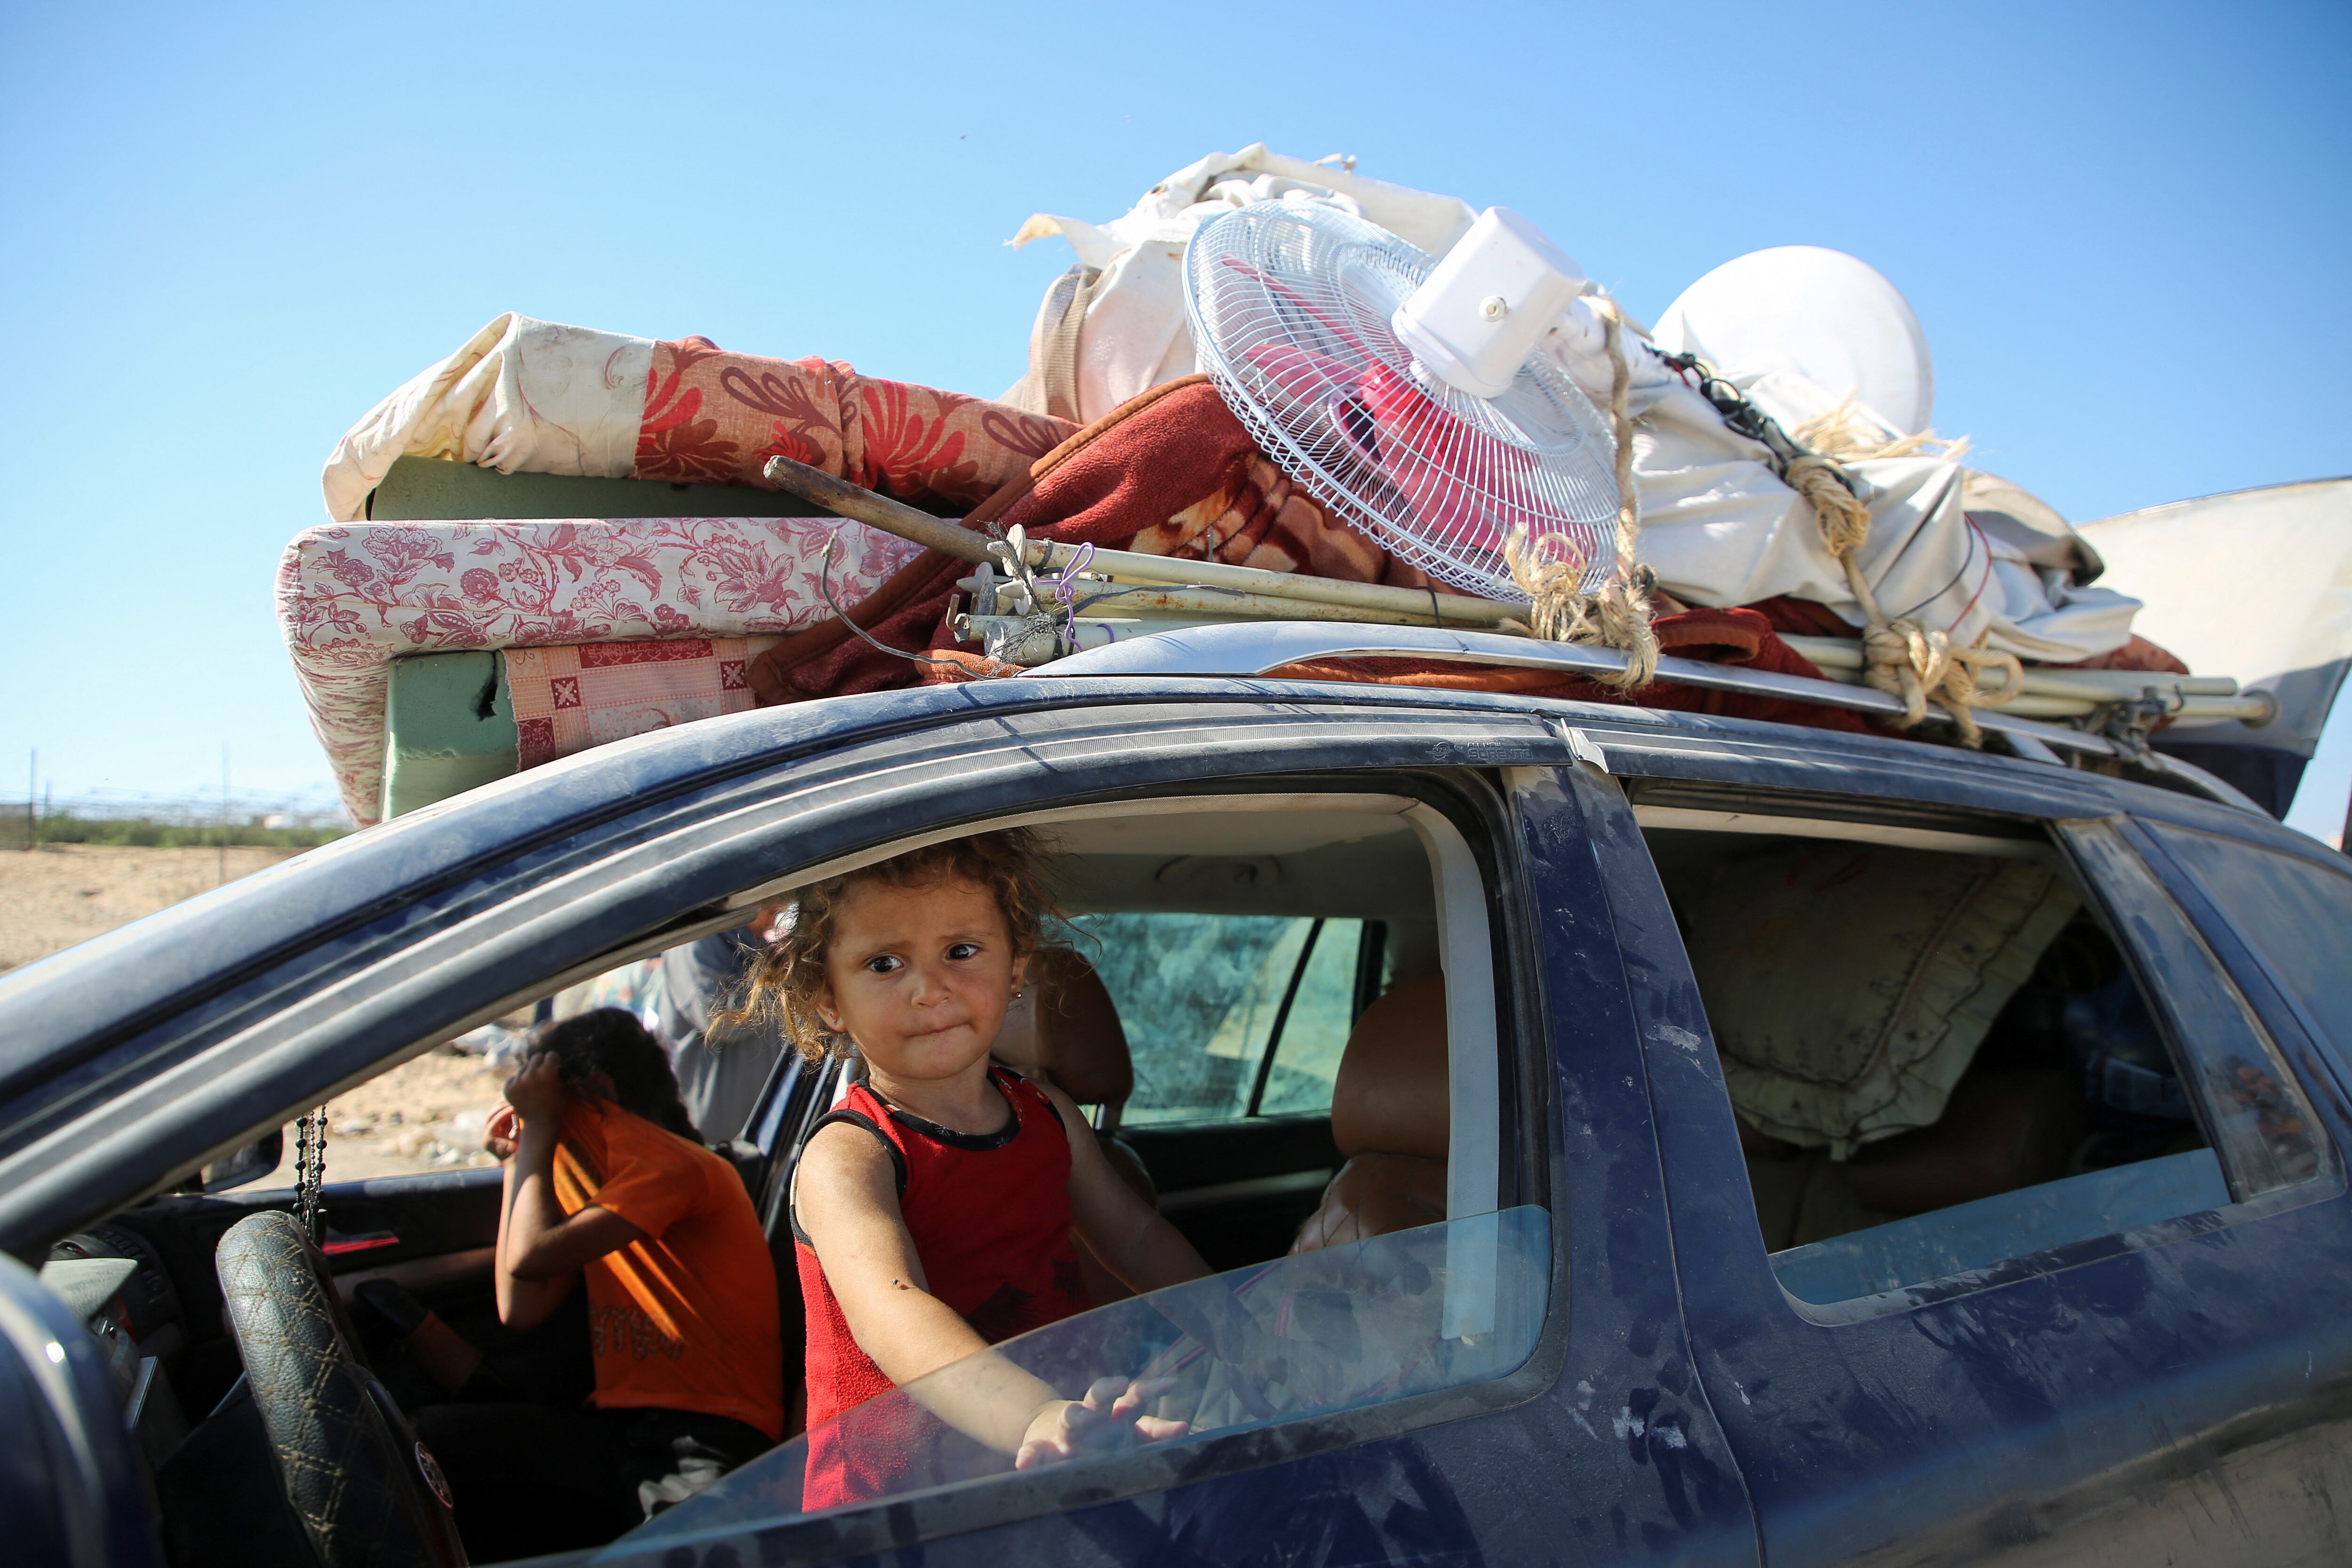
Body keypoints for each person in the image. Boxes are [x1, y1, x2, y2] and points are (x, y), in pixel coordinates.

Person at [734, 829, 1211, 1507]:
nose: (930, 989)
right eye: (883, 964)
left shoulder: (1048, 1115)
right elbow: (891, 1314)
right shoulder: (850, 1154)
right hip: (896, 1518)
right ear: (826, 998)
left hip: (1051, 1475)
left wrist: (1237, 1318)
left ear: (1016, 967)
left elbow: (1134, 1240)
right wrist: (1033, 1415)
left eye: (961, 951)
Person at [412, 1009, 782, 1561]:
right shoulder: (611, 1192)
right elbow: (521, 1308)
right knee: (436, 1445)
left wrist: (538, 1130)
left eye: (554, 1112)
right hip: (625, 1428)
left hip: (706, 1432)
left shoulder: (678, 1166)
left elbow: (530, 1256)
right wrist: (519, 1156)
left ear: (596, 1092)